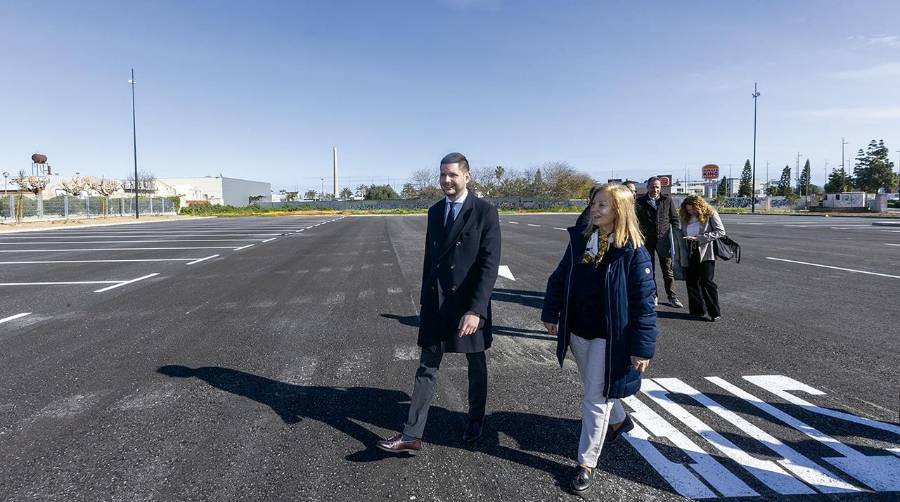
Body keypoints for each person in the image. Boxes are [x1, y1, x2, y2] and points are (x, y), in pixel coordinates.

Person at [377, 152, 501, 454]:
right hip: (437, 304)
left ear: (467, 176)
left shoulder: (485, 212)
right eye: (443, 175)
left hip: (468, 304)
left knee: (476, 365)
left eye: (453, 175)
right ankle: (412, 434)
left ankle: (475, 419)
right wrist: (425, 303)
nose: (446, 180)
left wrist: (476, 310)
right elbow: (430, 261)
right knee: (426, 367)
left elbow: (489, 265)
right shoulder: (434, 212)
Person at [541, 184, 657, 494]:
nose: (595, 209)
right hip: (578, 331)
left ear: (620, 210)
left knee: (594, 399)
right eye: (594, 204)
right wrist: (551, 313)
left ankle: (586, 463)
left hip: (610, 338)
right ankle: (620, 421)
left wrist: (641, 349)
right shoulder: (582, 241)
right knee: (598, 389)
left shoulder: (633, 251)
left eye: (603, 205)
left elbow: (645, 305)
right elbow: (560, 276)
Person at [635, 177, 683, 308]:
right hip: (647, 241)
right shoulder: (639, 202)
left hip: (664, 241)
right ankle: (653, 296)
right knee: (649, 270)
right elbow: (636, 221)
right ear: (647, 187)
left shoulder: (666, 200)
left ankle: (672, 297)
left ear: (660, 188)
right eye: (652, 187)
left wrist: (674, 236)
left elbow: (675, 219)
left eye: (657, 187)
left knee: (667, 270)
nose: (655, 189)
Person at [678, 195, 725, 322]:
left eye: (693, 209)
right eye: (688, 210)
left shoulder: (710, 213)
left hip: (705, 251)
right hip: (690, 251)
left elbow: (721, 231)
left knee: (706, 282)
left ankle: (714, 312)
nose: (691, 212)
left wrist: (700, 238)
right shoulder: (685, 217)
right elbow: (682, 231)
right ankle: (697, 311)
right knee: (692, 281)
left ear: (699, 206)